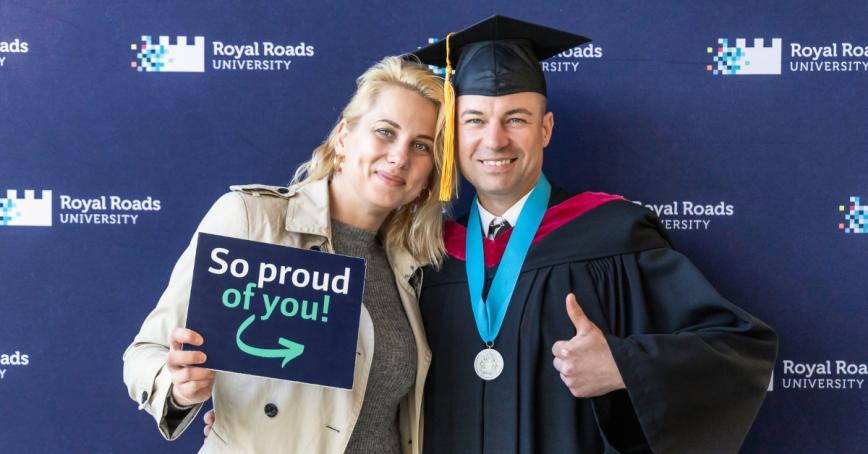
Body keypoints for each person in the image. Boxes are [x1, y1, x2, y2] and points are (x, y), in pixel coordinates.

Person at [411, 15, 778, 453]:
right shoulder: (426, 254)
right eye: (474, 120)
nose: (495, 140)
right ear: (452, 134)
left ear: (545, 129)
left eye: (516, 119)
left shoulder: (611, 234)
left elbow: (740, 351)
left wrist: (625, 365)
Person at [122, 55, 448, 454]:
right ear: (344, 137)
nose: (399, 157)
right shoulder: (251, 220)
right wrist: (178, 386)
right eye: (385, 132)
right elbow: (144, 353)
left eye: (420, 146)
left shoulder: (413, 267)